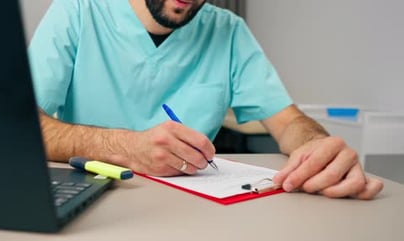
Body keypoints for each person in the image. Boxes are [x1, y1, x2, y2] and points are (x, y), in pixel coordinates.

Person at [28, 0, 383, 199]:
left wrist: (317, 146)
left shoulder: (228, 30)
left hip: (196, 211)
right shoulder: (78, 10)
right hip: (97, 201)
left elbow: (289, 122)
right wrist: (123, 145)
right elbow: (20, 126)